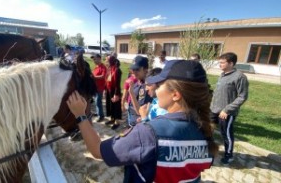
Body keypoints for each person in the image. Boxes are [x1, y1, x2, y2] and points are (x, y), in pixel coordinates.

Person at [66, 60, 218, 183]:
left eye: (159, 85)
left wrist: (81, 115)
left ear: (176, 95)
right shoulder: (203, 131)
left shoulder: (148, 132)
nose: (155, 90)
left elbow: (97, 150)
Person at [210, 52, 249, 165]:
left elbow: (243, 96)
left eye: (222, 62)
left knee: (226, 134)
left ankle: (229, 155)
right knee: (208, 131)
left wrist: (227, 109)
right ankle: (210, 150)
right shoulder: (222, 74)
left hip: (226, 113)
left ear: (231, 63)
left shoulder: (240, 77)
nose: (219, 64)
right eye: (219, 62)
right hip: (214, 110)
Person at [127, 56, 152, 127]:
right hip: (131, 117)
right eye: (133, 69)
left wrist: (131, 93)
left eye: (137, 69)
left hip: (138, 122)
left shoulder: (147, 87)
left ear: (145, 70)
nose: (134, 72)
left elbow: (139, 111)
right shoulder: (138, 81)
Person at [105, 55, 122, 129]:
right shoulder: (109, 69)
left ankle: (117, 122)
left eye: (107, 60)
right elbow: (107, 80)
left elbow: (117, 84)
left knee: (116, 106)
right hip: (109, 90)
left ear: (111, 61)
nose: (106, 62)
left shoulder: (117, 70)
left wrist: (116, 94)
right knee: (110, 105)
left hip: (115, 90)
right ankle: (112, 118)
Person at [91, 54, 107, 122]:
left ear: (100, 59)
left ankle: (101, 116)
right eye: (93, 59)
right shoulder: (96, 67)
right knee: (96, 101)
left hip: (100, 88)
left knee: (98, 101)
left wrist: (94, 77)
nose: (94, 60)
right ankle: (98, 113)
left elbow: (103, 76)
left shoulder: (103, 67)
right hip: (95, 87)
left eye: (95, 59)